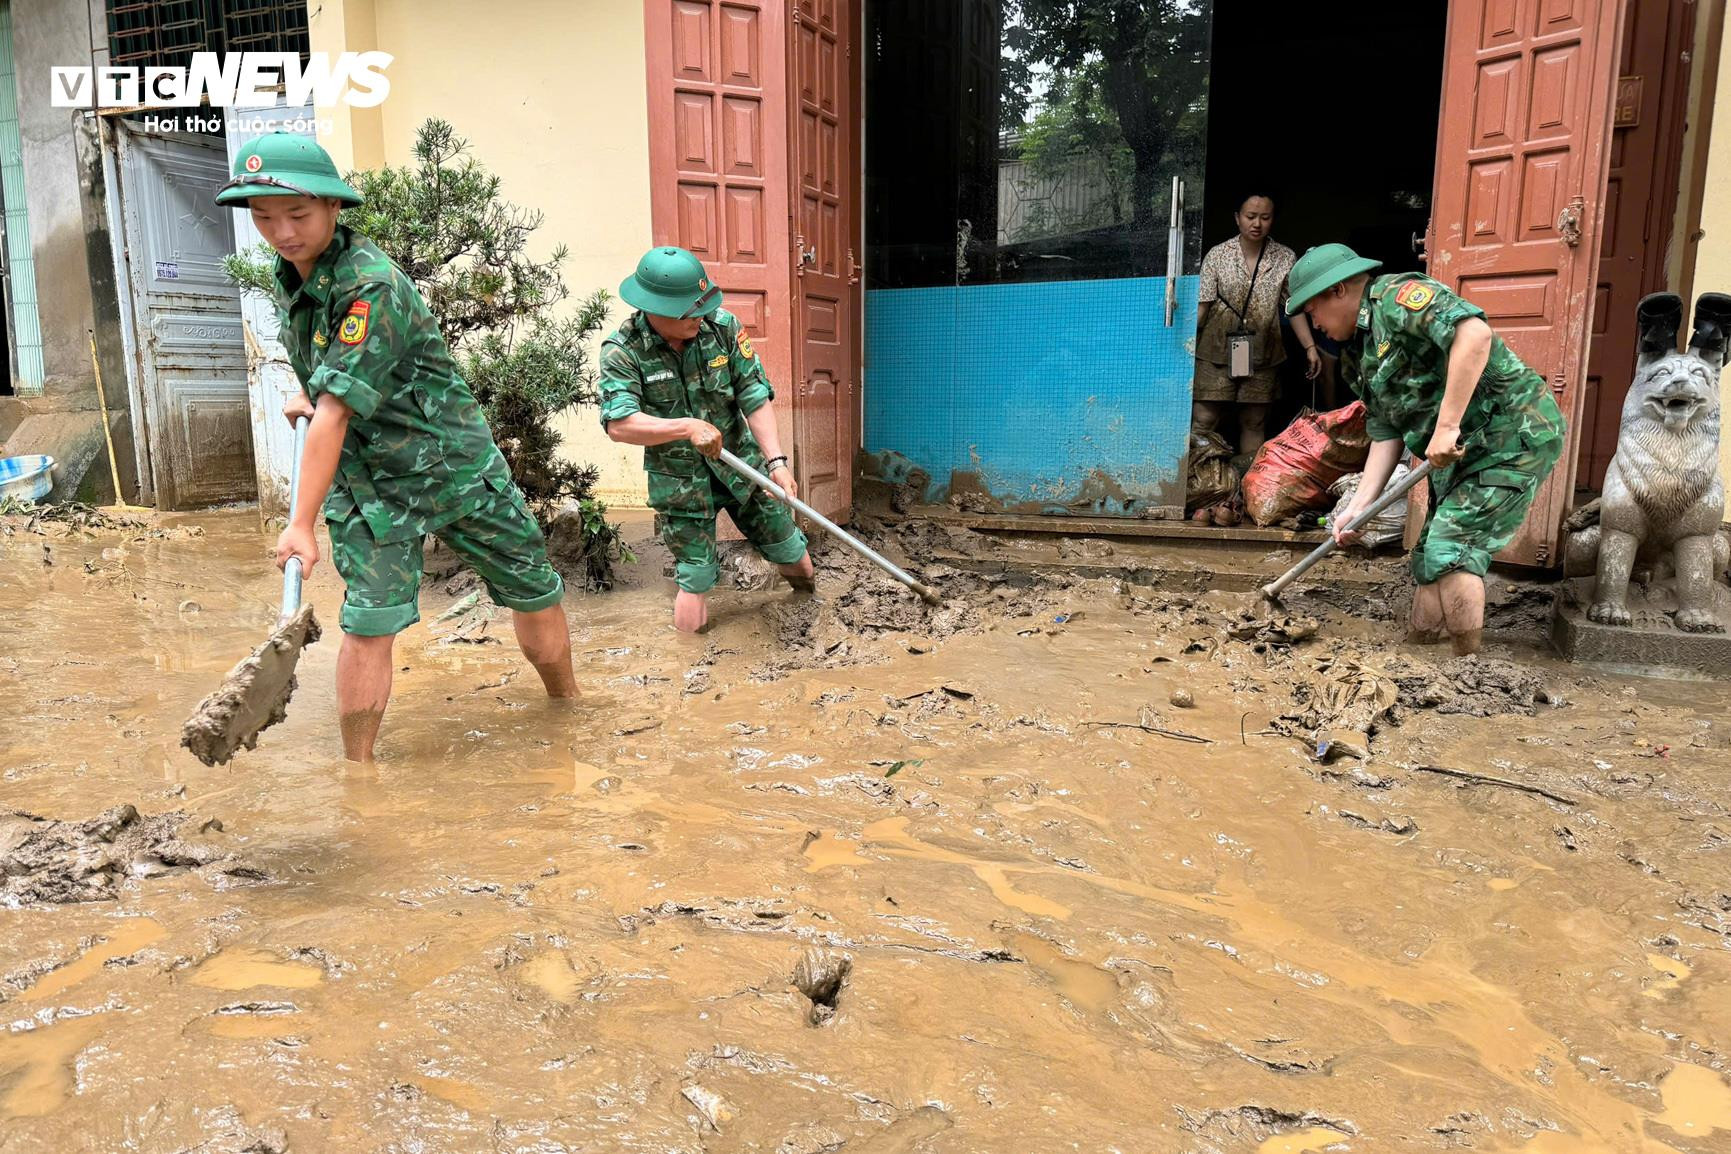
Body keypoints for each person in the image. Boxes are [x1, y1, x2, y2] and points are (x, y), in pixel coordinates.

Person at [214, 133, 577, 762]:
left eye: (297, 214)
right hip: (372, 483)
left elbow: (334, 412)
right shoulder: (290, 273)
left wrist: (301, 524)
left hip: (451, 465)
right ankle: (359, 774)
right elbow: (327, 371)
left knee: (531, 588)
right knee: (368, 623)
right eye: (264, 217)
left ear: (332, 208)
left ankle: (569, 709)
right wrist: (313, 387)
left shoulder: (370, 285)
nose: (281, 232)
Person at [1286, 243, 1564, 656]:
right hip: (1460, 452)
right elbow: (1385, 432)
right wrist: (1359, 507)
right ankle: (1416, 653)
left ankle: (1467, 673)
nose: (1315, 324)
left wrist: (1447, 425)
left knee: (1451, 550)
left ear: (1339, 290)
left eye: (1313, 311)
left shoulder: (1399, 299)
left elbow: (1474, 334)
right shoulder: (1357, 356)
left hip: (1509, 433)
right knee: (1428, 555)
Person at [598, 247, 815, 633]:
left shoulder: (723, 327)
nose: (699, 316)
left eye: (701, 306)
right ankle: (689, 666)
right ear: (656, 308)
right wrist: (685, 427)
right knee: (696, 579)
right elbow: (621, 425)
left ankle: (809, 612)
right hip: (681, 483)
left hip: (742, 467)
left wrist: (776, 463)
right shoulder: (623, 351)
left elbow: (752, 392)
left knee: (791, 550)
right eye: (689, 311)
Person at [1193, 194, 1323, 464]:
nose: (1257, 224)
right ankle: (1199, 484)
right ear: (1237, 218)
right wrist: (1182, 345)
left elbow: (1292, 307)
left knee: (1254, 420)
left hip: (1263, 350)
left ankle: (1246, 489)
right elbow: (1202, 308)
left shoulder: (1285, 257)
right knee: (1204, 419)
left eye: (1265, 217)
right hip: (1214, 349)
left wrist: (1310, 347)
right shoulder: (1217, 255)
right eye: (1250, 217)